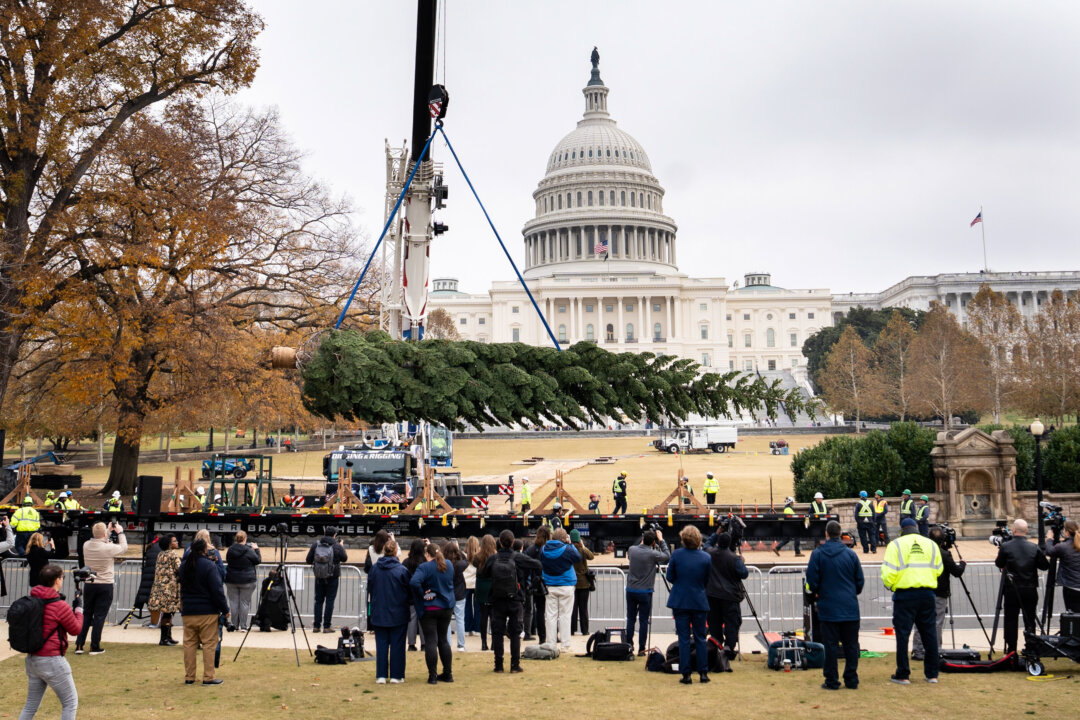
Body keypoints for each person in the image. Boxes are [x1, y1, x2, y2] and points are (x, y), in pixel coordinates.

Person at [881, 517, 943, 684]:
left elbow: (888, 572)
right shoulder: (931, 544)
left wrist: (892, 585)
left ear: (902, 530)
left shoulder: (895, 545)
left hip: (905, 594)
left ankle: (903, 674)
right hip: (927, 593)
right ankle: (932, 674)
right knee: (929, 635)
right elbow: (938, 569)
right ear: (916, 528)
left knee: (902, 635)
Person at [18, 563, 83, 720]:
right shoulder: (58, 605)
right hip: (52, 660)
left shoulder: (32, 600)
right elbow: (75, 629)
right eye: (62, 577)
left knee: (31, 705)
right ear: (57, 580)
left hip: (33, 659)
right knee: (70, 702)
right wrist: (79, 610)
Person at [806, 520, 864, 690]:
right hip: (849, 606)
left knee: (830, 646)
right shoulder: (851, 555)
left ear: (826, 533)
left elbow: (811, 581)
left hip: (828, 606)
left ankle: (832, 680)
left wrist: (817, 594)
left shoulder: (818, 554)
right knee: (851, 646)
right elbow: (859, 581)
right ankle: (851, 679)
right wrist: (851, 593)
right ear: (840, 534)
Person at [478, 529, 542, 673]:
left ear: (500, 542)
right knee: (515, 633)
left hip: (497, 598)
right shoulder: (517, 557)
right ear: (513, 542)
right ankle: (514, 665)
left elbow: (483, 573)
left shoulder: (493, 559)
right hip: (515, 599)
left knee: (498, 633)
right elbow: (537, 564)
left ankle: (498, 665)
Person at [994, 518, 1049, 656]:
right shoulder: (1033, 547)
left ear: (1014, 530)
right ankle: (1031, 648)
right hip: (1029, 588)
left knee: (1011, 619)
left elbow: (999, 563)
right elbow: (1044, 565)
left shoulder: (1006, 547)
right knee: (1029, 619)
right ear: (1026, 531)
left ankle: (1011, 649)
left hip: (1012, 588)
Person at [179, 538, 229, 685]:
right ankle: (208, 676)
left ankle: (189, 676)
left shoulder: (184, 566)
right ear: (204, 550)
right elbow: (217, 590)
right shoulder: (208, 566)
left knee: (189, 644)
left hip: (188, 610)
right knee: (209, 644)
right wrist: (225, 609)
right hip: (207, 610)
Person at [912, 526, 966, 661]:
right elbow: (956, 572)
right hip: (939, 593)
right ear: (943, 541)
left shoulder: (921, 552)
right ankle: (933, 650)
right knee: (936, 623)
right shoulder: (944, 554)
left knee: (920, 621)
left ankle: (918, 650)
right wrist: (962, 564)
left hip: (922, 590)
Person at [666, 525, 711, 685]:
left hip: (680, 600)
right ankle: (703, 673)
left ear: (683, 539)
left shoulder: (677, 555)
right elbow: (707, 580)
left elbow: (669, 576)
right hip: (698, 599)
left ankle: (686, 674)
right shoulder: (705, 557)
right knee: (700, 638)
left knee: (683, 639)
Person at [75, 520, 127, 655]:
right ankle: (94, 645)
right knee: (99, 616)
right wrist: (119, 532)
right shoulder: (108, 548)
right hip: (105, 583)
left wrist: (107, 532)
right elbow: (123, 547)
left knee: (87, 614)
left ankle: (79, 644)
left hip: (90, 583)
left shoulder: (86, 545)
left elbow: (99, 539)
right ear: (104, 533)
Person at [410, 541, 456, 684]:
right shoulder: (448, 565)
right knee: (443, 640)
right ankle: (448, 674)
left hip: (430, 607)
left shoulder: (425, 567)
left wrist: (423, 592)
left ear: (427, 554)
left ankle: (433, 676)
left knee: (431, 641)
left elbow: (414, 582)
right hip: (446, 607)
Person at [368, 539, 411, 683]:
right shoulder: (401, 570)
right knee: (397, 644)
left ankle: (381, 675)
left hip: (379, 610)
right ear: (394, 552)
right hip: (397, 610)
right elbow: (408, 590)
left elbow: (370, 588)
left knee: (381, 644)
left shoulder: (375, 569)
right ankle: (396, 675)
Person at [704, 531, 747, 663]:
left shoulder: (710, 553)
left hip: (712, 595)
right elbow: (743, 574)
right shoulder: (734, 558)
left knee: (714, 622)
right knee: (731, 623)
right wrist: (742, 562)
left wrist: (715, 533)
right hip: (730, 596)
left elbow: (706, 545)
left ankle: (716, 643)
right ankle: (729, 647)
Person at [626, 528, 670, 655]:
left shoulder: (632, 550)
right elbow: (667, 555)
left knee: (630, 619)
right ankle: (641, 648)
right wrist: (661, 540)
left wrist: (647, 539)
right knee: (644, 620)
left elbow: (638, 547)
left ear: (643, 539)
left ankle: (629, 645)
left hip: (631, 589)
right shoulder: (652, 554)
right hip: (645, 591)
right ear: (652, 543)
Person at [540, 527, 581, 651]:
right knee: (565, 616)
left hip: (550, 585)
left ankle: (551, 643)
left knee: (550, 616)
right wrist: (570, 544)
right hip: (566, 585)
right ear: (564, 538)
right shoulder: (567, 549)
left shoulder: (543, 549)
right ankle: (565, 644)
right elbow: (578, 557)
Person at [306, 527, 348, 633]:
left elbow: (308, 560)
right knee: (330, 601)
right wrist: (342, 547)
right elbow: (344, 558)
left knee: (318, 601)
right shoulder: (337, 546)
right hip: (333, 577)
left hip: (319, 576)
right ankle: (326, 626)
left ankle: (316, 626)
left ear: (324, 533)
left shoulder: (316, 544)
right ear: (334, 535)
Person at [225, 530, 261, 631]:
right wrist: (256, 550)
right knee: (244, 603)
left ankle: (235, 625)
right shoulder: (248, 550)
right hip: (247, 579)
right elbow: (257, 560)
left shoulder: (231, 550)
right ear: (245, 539)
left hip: (232, 578)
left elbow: (228, 560)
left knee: (233, 602)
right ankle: (243, 625)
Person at [149, 535, 181, 646]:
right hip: (169, 588)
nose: (177, 542)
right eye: (174, 541)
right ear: (169, 544)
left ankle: (168, 636)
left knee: (167, 612)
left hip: (159, 587)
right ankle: (164, 638)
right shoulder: (173, 555)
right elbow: (179, 569)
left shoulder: (160, 554)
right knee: (168, 613)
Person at [1047, 519, 1080, 613]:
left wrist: (1049, 539)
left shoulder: (1063, 546)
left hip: (1071, 587)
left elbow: (1049, 551)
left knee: (1073, 616)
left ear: (1067, 532)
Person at [523, 526, 550, 642]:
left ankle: (534, 634)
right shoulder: (547, 549)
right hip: (544, 582)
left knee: (533, 610)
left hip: (533, 582)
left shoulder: (531, 549)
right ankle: (545, 636)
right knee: (544, 611)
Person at [442, 539, 468, 651]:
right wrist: (458, 550)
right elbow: (466, 559)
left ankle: (448, 643)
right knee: (460, 619)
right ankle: (461, 645)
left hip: (447, 593)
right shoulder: (460, 564)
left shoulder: (444, 565)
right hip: (460, 593)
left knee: (446, 621)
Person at [473, 534, 497, 650]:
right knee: (493, 616)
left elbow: (474, 564)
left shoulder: (477, 557)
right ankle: (493, 643)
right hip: (492, 586)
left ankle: (483, 643)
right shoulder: (496, 556)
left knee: (483, 616)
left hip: (481, 587)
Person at [403, 539, 428, 651]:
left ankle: (411, 644)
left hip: (410, 593)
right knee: (423, 619)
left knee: (411, 619)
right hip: (423, 593)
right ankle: (424, 643)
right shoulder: (425, 562)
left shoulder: (406, 562)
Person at [569, 529, 594, 636]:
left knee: (573, 608)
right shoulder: (582, 550)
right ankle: (584, 630)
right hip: (583, 582)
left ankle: (572, 629)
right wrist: (583, 546)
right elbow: (591, 556)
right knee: (583, 609)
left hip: (572, 582)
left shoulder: (569, 550)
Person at [462, 536, 479, 637]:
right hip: (476, 583)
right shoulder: (480, 556)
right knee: (478, 607)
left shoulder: (463, 555)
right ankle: (478, 629)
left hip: (466, 583)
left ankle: (467, 629)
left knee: (466, 607)